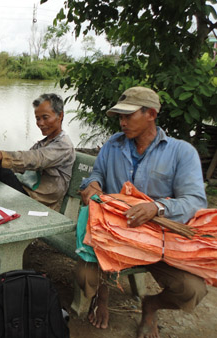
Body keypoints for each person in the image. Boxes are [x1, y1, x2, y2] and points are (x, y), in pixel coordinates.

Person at [78, 86, 208, 338]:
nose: (122, 122)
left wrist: (157, 207)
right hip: (115, 235)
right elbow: (97, 175)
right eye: (119, 117)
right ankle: (101, 297)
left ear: (151, 113)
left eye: (128, 116)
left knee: (191, 290)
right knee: (85, 277)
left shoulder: (182, 152)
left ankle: (151, 306)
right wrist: (91, 185)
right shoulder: (112, 146)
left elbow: (194, 201)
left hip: (159, 241)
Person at [0, 93, 75, 212]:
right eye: (38, 118)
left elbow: (35, 159)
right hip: (23, 189)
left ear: (60, 116)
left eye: (45, 117)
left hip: (36, 201)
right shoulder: (43, 143)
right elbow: (23, 166)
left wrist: (1, 155)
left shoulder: (64, 146)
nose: (40, 123)